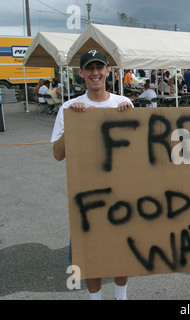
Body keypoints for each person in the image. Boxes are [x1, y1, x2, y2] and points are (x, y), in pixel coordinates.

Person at [50, 49, 133, 300]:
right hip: (85, 194)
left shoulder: (124, 103)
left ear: (108, 71)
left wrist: (130, 118)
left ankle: (122, 297)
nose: (95, 73)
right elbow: (57, 153)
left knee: (121, 250)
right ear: (82, 73)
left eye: (100, 67)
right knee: (90, 252)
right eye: (90, 68)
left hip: (120, 191)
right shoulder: (68, 107)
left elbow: (139, 151)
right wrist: (73, 124)